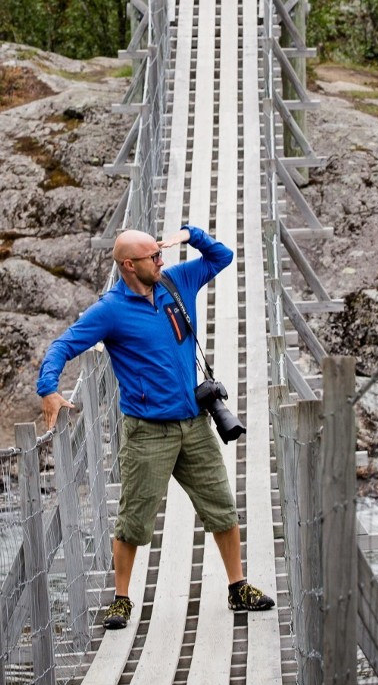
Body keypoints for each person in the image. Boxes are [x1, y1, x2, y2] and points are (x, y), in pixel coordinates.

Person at [37, 224, 274, 629]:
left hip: (195, 424)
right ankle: (122, 599)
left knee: (222, 507)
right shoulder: (111, 310)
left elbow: (222, 257)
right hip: (147, 432)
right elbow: (64, 344)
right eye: (153, 257)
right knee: (133, 519)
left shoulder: (176, 281)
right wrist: (48, 389)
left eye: (160, 254)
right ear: (129, 265)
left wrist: (189, 235)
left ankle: (238, 588)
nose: (161, 261)